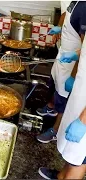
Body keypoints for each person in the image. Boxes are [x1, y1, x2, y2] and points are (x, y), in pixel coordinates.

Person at [38, 1, 86, 179]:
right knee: (72, 155)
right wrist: (76, 55)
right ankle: (61, 176)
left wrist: (83, 120)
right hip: (82, 90)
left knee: (79, 160)